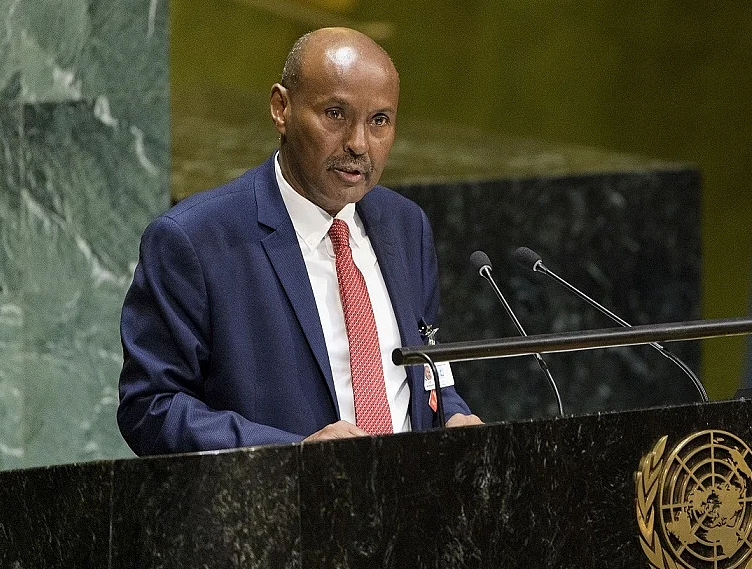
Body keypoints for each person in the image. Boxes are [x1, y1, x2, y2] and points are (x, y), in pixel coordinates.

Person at [117, 27, 480, 455]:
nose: (358, 143)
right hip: (279, 511)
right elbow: (151, 408)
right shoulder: (193, 240)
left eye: (379, 120)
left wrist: (453, 414)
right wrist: (294, 452)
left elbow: (427, 370)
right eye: (335, 114)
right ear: (281, 109)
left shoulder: (406, 226)